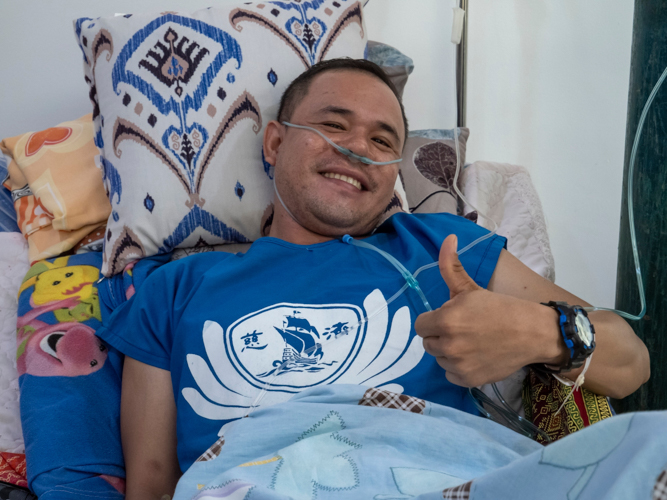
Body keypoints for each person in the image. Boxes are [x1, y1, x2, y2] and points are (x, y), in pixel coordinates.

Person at [97, 58, 650, 499]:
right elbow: (150, 484)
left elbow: (631, 362)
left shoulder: (441, 245)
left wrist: (539, 333)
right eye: (332, 125)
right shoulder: (174, 287)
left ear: (392, 174)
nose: (358, 147)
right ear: (274, 143)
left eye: (383, 142)